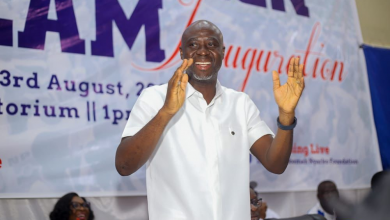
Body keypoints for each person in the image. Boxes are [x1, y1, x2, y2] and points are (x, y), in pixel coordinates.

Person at [116, 20, 305, 220]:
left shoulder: (240, 103)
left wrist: (286, 116)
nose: (203, 51)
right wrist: (166, 112)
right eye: (194, 45)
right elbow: (124, 166)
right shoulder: (154, 98)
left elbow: (275, 164)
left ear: (222, 52)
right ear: (182, 53)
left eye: (211, 44)